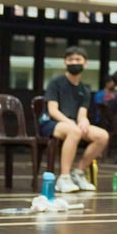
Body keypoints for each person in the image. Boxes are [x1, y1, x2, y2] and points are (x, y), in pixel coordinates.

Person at [39, 46, 108, 193]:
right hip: (51, 123)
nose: (74, 62)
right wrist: (70, 123)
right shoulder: (56, 82)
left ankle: (79, 172)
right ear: (65, 62)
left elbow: (82, 114)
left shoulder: (84, 89)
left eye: (78, 59)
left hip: (73, 125)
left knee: (102, 136)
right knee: (75, 131)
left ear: (85, 63)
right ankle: (64, 178)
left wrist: (84, 121)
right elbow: (52, 110)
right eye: (70, 59)